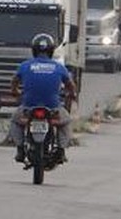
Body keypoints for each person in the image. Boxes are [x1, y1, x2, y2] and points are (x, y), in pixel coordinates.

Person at [9, 33, 76, 164]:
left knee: (15, 122)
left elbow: (14, 82)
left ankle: (20, 149)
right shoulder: (58, 67)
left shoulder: (25, 65)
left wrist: (15, 92)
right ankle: (61, 151)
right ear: (51, 51)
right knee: (66, 122)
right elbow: (70, 85)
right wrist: (72, 94)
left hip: (28, 107)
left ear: (34, 50)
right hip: (53, 107)